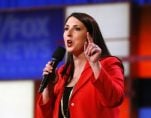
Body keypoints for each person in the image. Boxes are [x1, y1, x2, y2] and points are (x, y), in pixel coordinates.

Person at [36, 12, 125, 118]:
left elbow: (114, 99)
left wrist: (95, 65)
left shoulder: (109, 64)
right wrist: (48, 88)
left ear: (89, 36)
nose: (69, 33)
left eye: (77, 29)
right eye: (66, 29)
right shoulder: (62, 73)